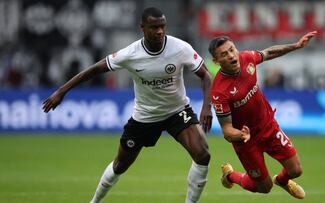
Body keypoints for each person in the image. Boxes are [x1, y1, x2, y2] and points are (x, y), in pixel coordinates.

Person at [42, 7, 213, 203]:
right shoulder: (130, 53)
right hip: (145, 117)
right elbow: (93, 70)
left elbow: (206, 75)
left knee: (202, 155)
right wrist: (61, 91)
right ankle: (94, 201)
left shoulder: (180, 48)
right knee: (120, 165)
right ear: (143, 28)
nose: (159, 31)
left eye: (162, 26)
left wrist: (206, 107)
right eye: (154, 27)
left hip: (177, 111)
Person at [208, 31, 317, 199]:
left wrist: (295, 46)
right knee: (264, 187)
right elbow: (227, 130)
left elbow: (269, 52)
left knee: (295, 170)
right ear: (216, 61)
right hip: (246, 141)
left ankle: (281, 181)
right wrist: (241, 134)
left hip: (268, 126)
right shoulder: (219, 92)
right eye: (224, 54)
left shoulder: (247, 58)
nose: (231, 56)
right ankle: (230, 176)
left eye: (232, 49)